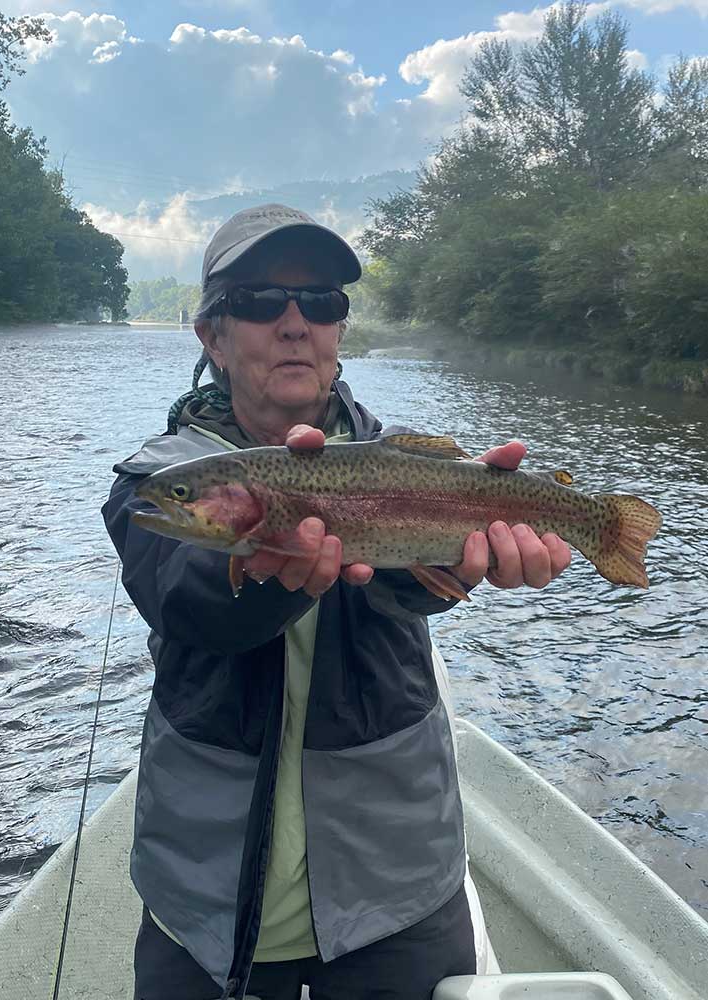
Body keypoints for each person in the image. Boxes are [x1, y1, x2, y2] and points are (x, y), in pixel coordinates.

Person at [102, 204, 572, 1000]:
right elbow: (189, 608)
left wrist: (450, 565)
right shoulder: (154, 481)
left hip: (397, 887)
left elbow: (406, 596)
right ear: (211, 335)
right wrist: (263, 572)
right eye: (259, 301)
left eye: (319, 303)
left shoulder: (404, 464)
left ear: (338, 330)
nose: (295, 324)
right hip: (205, 898)